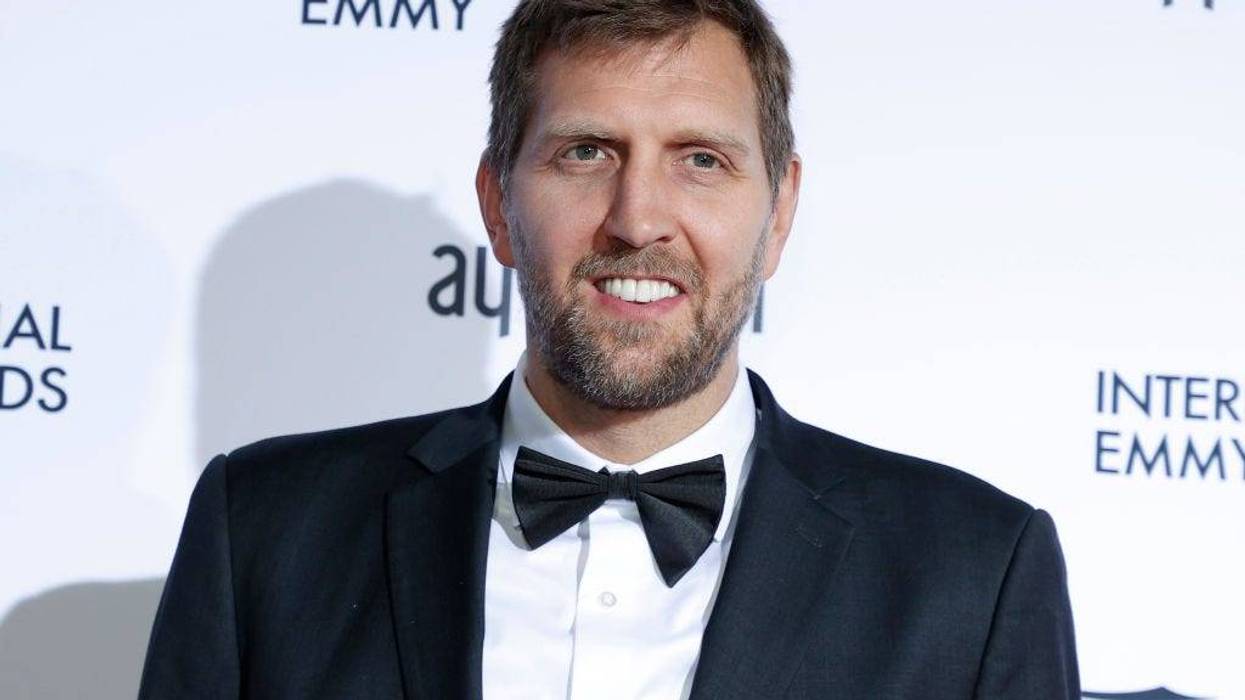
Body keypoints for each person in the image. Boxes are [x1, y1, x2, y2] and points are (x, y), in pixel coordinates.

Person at [139, 1, 1079, 698]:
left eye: (700, 160)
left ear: (779, 211)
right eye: (585, 152)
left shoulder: (973, 572)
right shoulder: (263, 532)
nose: (637, 220)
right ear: (497, 205)